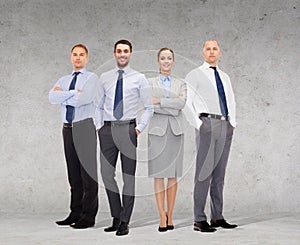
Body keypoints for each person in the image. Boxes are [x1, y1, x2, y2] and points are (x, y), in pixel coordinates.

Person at [95, 39, 154, 236]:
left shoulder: (139, 78)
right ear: (114, 54)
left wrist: (138, 129)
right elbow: (98, 104)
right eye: (119, 51)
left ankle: (125, 221)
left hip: (128, 129)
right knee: (106, 175)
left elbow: (148, 107)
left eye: (126, 51)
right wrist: (99, 127)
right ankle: (116, 215)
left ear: (130, 54)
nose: (122, 54)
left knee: (128, 177)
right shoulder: (104, 77)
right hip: (107, 130)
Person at [185, 40, 237, 232]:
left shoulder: (224, 76)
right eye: (208, 49)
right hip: (207, 123)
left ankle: (218, 216)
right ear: (203, 53)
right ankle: (199, 219)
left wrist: (233, 122)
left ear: (220, 52)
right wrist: (199, 124)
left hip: (225, 124)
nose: (212, 51)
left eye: (215, 49)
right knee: (203, 173)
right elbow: (186, 102)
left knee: (220, 174)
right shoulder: (195, 74)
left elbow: (231, 99)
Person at [49, 44, 98, 229]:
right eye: (75, 55)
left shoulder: (92, 79)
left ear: (87, 58)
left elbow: (83, 99)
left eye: (82, 55)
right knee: (74, 175)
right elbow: (51, 97)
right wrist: (72, 93)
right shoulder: (64, 79)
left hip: (84, 127)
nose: (78, 58)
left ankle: (88, 216)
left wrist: (64, 95)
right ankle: (75, 212)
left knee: (88, 175)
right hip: (67, 129)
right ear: (71, 57)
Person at [147, 48, 187, 232]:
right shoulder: (149, 83)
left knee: (173, 175)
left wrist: (160, 101)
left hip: (176, 132)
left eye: (169, 58)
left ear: (173, 61)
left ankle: (170, 214)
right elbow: (149, 104)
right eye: (162, 58)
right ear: (158, 61)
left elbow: (181, 105)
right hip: (156, 133)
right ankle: (161, 215)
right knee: (158, 175)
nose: (166, 61)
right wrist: (171, 104)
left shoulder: (181, 83)